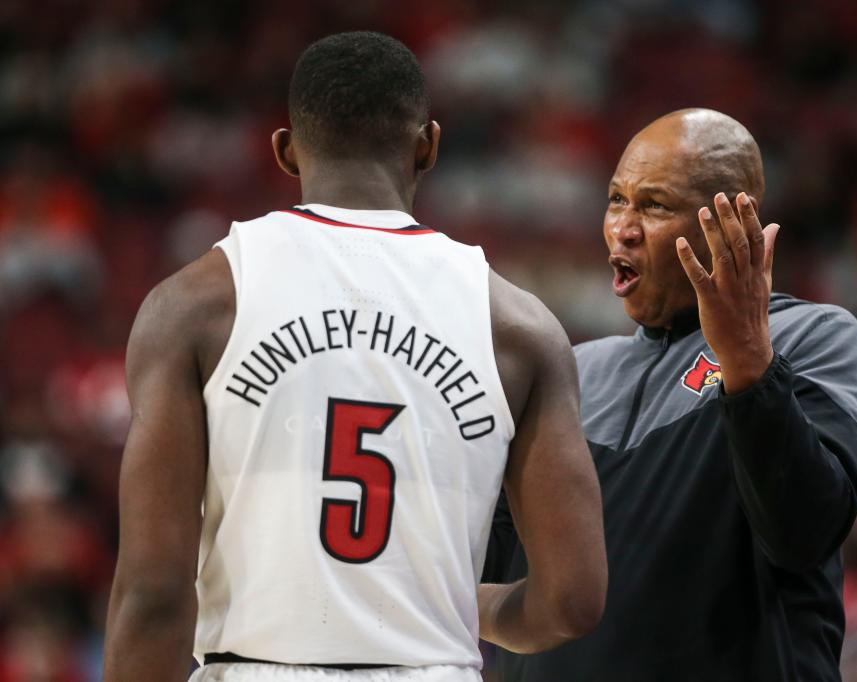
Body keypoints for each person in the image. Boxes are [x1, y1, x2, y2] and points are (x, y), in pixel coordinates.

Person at [103, 32, 606, 682]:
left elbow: (152, 592)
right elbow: (572, 601)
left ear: (285, 150)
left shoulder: (193, 304)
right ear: (428, 145)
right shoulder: (519, 326)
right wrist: (449, 605)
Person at [483, 108, 857, 681]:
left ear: (732, 222)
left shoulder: (817, 338)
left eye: (653, 205)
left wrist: (748, 361)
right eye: (616, 199)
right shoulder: (573, 371)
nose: (623, 227)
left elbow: (804, 533)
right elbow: (497, 565)